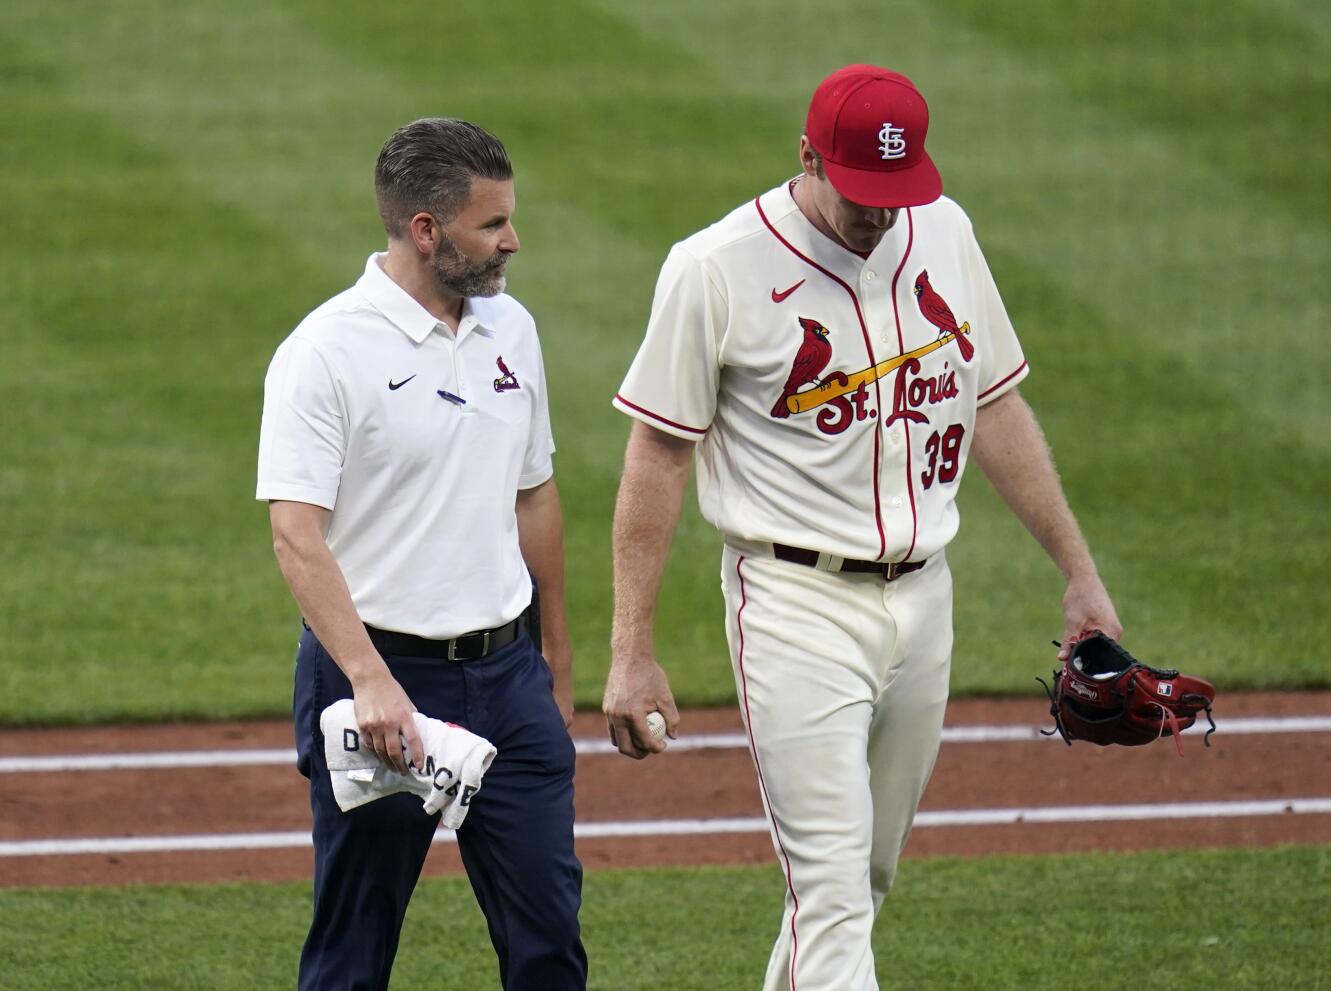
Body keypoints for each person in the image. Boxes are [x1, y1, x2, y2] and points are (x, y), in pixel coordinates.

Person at [602, 65, 1121, 990]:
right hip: (793, 605)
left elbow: (994, 405)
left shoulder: (945, 231)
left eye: (895, 193)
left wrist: (1078, 569)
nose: (878, 214)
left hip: (926, 599)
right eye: (858, 193)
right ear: (806, 157)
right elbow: (658, 453)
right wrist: (631, 646)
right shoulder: (714, 268)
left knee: (860, 881)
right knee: (832, 891)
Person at [257, 117, 586, 990]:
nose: (514, 240)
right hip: (379, 681)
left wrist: (557, 655)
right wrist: (370, 679)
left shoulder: (511, 329)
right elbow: (296, 533)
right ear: (425, 230)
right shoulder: (324, 353)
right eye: (493, 224)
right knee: (354, 950)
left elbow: (534, 493)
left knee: (550, 940)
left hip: (509, 682)